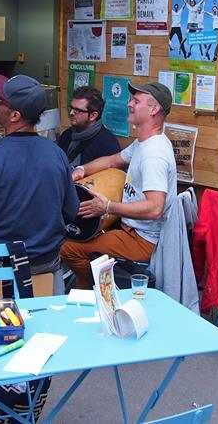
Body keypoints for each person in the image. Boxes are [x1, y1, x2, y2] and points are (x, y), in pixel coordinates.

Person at [60, 82, 178, 289]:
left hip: (141, 240)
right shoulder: (144, 142)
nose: (129, 104)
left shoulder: (154, 155)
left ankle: (92, 290)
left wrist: (107, 207)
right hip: (128, 230)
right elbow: (113, 160)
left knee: (67, 247)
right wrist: (81, 171)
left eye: (136, 100)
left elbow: (154, 207)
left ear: (154, 109)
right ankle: (96, 288)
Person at [0, 74, 79, 282]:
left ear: (15, 115)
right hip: (47, 260)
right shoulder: (57, 154)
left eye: (0, 101)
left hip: (1, 260)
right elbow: (71, 210)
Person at [56, 86, 120, 168]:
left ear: (93, 116)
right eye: (71, 108)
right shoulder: (67, 135)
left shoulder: (107, 144)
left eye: (77, 111)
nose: (71, 113)